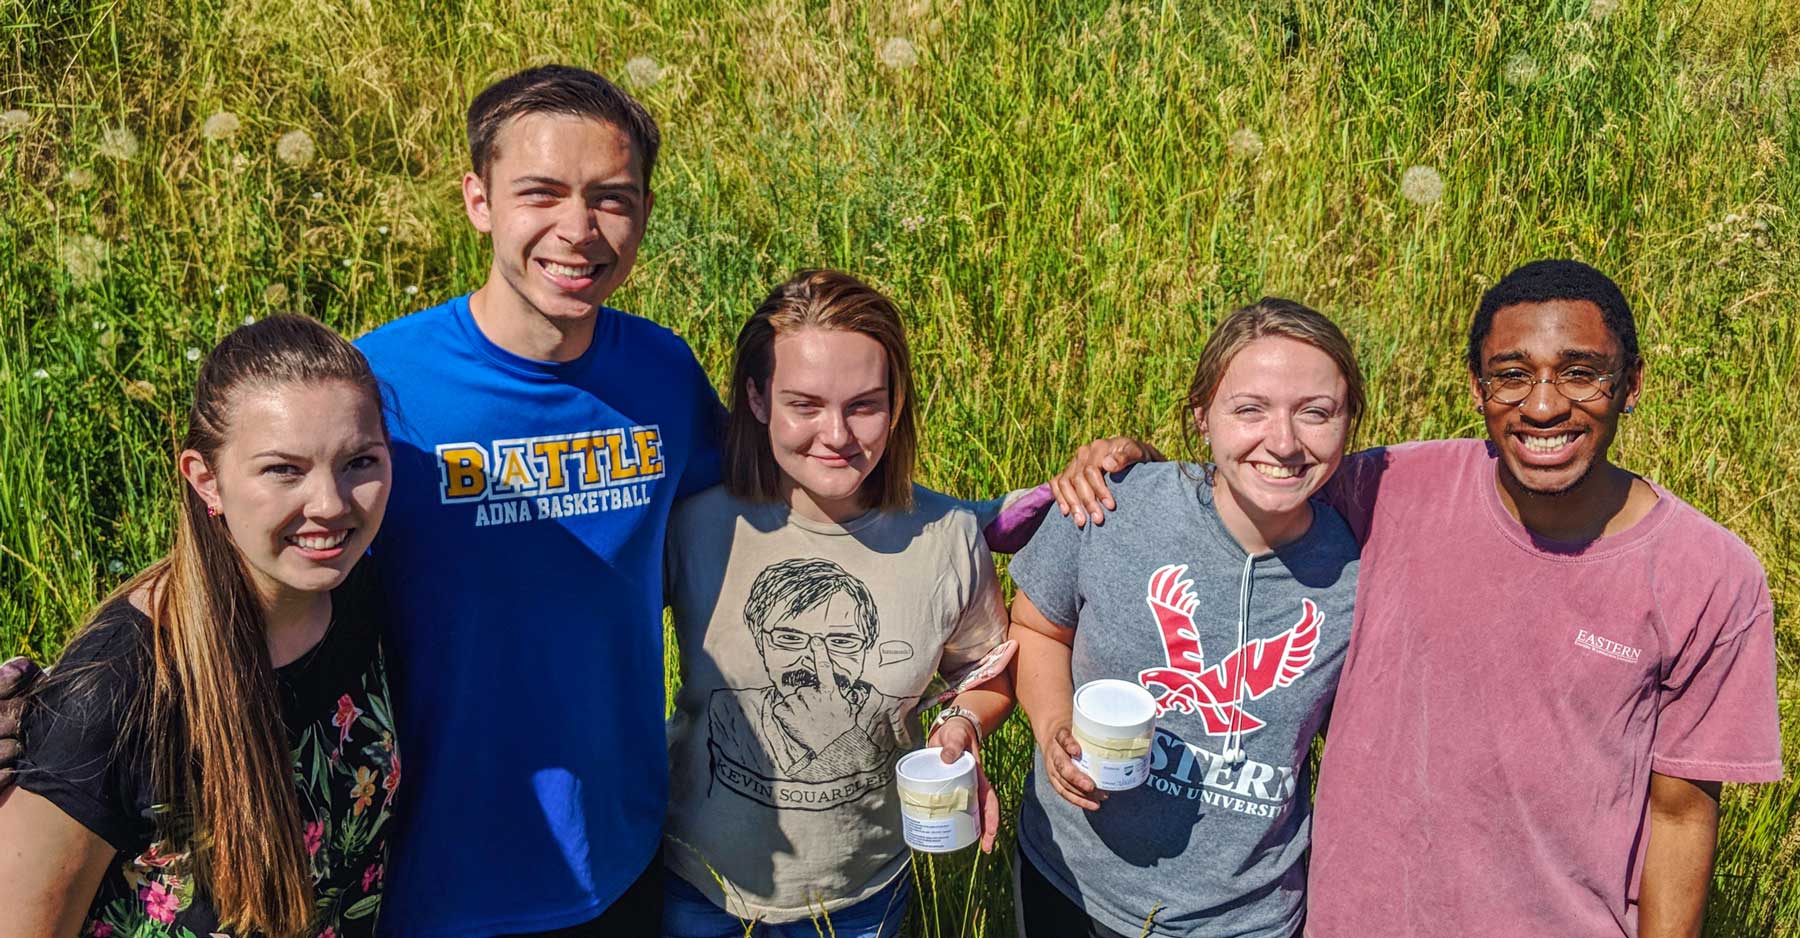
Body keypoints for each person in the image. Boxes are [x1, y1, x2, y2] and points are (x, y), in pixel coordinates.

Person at [1051, 261, 1784, 938]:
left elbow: (1684, 815)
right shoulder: (1394, 488)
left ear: (1632, 383)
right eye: (1510, 375)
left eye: (1582, 373)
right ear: (1476, 387)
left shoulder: (1710, 576)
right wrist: (1135, 468)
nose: (1543, 405)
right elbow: (1261, 476)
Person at [0, 315, 397, 937]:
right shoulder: (118, 687)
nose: (330, 504)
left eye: (359, 462)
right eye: (283, 470)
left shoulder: (361, 602)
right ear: (204, 478)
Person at [660, 270, 1014, 937]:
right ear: (758, 399)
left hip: (862, 896)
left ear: (898, 402)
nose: (837, 434)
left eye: (864, 405)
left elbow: (985, 672)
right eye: (805, 404)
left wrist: (962, 725)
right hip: (701, 889)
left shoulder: (946, 537)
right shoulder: (698, 524)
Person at [1009, 298, 1364, 937]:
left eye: (1315, 412)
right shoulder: (1108, 507)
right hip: (1072, 884)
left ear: (1349, 423)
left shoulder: (1365, 568)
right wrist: (1055, 722)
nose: (1282, 442)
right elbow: (1037, 626)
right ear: (1202, 416)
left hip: (1245, 916)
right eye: (1248, 409)